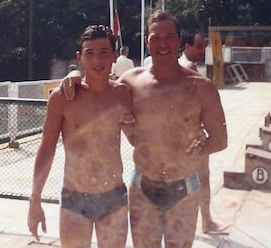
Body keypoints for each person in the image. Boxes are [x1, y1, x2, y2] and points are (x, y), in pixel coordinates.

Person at [60, 11, 227, 248]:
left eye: (169, 37)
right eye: (155, 38)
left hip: (184, 189)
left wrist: (191, 150)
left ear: (179, 40)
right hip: (143, 189)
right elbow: (98, 88)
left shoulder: (201, 87)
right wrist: (74, 74)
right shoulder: (130, 82)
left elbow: (221, 139)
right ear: (147, 41)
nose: (162, 44)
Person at [27, 24, 135, 247]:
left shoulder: (123, 94)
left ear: (115, 56)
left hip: (113, 196)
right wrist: (35, 200)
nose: (97, 60)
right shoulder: (63, 97)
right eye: (90, 54)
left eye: (104, 53)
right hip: (74, 197)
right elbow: (46, 149)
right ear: (80, 57)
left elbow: (139, 138)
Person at [179, 30, 230, 234]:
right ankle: (206, 221)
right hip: (191, 136)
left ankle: (201, 221)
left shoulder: (180, 66)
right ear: (187, 46)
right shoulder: (189, 68)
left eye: (204, 46)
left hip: (184, 134)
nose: (203, 50)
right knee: (202, 179)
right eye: (199, 46)